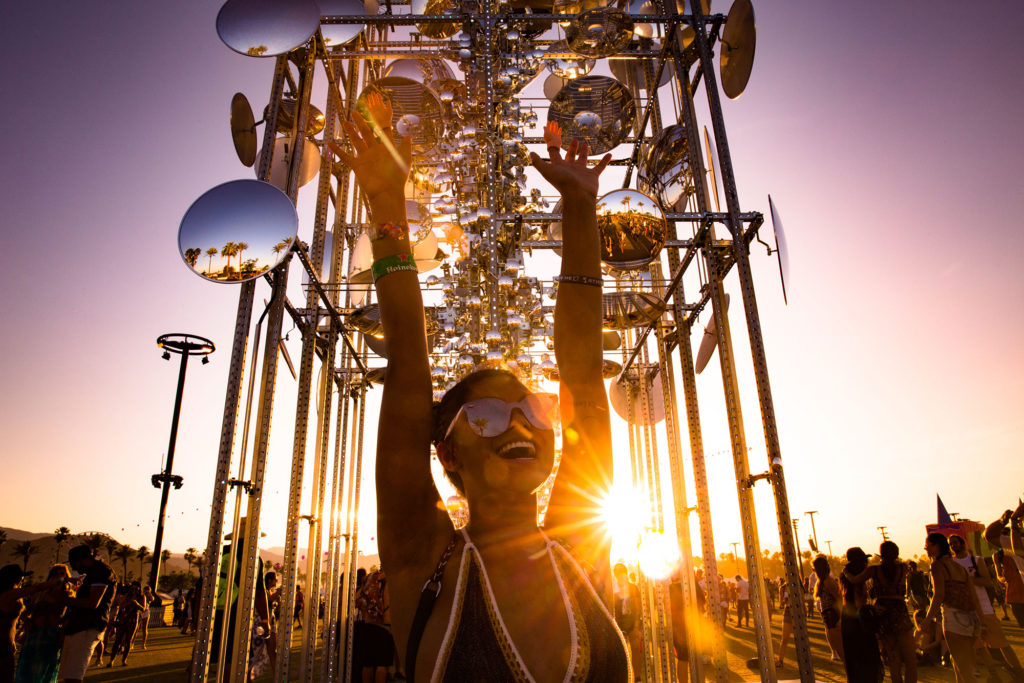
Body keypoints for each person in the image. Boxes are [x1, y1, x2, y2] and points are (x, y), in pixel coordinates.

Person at [329, 102, 628, 681]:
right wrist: (388, 204)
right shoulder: (424, 552)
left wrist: (580, 208)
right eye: (488, 416)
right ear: (446, 453)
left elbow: (583, 373)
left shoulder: (580, 540)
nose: (519, 425)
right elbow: (411, 366)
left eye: (533, 410)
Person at [949, 533, 1024, 678]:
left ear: (963, 543)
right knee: (978, 648)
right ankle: (994, 675)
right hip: (965, 611)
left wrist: (967, 579)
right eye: (951, 543)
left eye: (956, 542)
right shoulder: (951, 564)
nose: (953, 545)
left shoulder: (976, 561)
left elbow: (987, 582)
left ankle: (1019, 672)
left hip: (984, 609)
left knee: (1001, 644)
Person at [844, 541, 915, 683]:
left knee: (893, 660)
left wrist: (846, 572)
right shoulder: (903, 568)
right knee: (910, 660)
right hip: (900, 611)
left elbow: (855, 580)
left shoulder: (874, 570)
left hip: (883, 614)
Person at [922, 532, 984, 683]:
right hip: (972, 619)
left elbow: (939, 595)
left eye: (927, 546)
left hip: (955, 618)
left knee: (965, 670)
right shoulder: (960, 568)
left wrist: (927, 620)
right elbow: (974, 598)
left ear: (936, 546)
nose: (926, 549)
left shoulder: (937, 566)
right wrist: (983, 621)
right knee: (959, 662)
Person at [58, 544, 117, 683]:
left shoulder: (100, 572)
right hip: (80, 625)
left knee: (74, 675)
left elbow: (92, 603)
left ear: (82, 560)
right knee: (69, 673)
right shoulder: (94, 572)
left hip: (87, 625)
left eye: (74, 563)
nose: (73, 568)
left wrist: (64, 600)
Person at [1, 565, 62, 683]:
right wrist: (63, 579)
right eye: (20, 577)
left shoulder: (10, 594)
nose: (22, 580)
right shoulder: (10, 594)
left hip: (7, 642)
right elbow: (37, 588)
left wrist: (26, 620)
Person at [14, 564, 73, 683]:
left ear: (66, 576)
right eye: (55, 574)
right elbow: (25, 610)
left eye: (62, 574)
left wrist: (63, 633)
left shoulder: (68, 594)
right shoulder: (39, 593)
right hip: (35, 633)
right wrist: (27, 621)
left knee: (46, 671)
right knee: (27, 670)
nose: (58, 577)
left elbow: (70, 616)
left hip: (53, 635)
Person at [838, 547, 883, 683]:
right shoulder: (859, 577)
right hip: (860, 620)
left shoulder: (844, 576)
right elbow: (859, 602)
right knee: (867, 658)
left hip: (848, 619)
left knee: (853, 659)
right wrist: (872, 609)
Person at [985, 505, 1024, 627]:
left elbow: (1018, 550)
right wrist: (1004, 520)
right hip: (1017, 595)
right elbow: (989, 535)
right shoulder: (1010, 543)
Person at [353, 569, 394, 683]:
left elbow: (358, 598)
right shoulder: (390, 577)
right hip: (384, 624)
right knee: (382, 664)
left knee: (368, 663)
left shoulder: (370, 577)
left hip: (368, 622)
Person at [811, 555, 843, 662]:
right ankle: (834, 652)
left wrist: (840, 618)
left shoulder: (827, 581)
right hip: (828, 614)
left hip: (833, 614)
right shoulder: (821, 581)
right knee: (835, 642)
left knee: (841, 649)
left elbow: (839, 599)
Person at [612, 563, 641, 679]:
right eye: (617, 574)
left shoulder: (633, 587)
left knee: (635, 650)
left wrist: (636, 624)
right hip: (619, 624)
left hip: (632, 622)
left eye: (622, 573)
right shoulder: (613, 589)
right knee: (621, 653)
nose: (620, 576)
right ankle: (624, 676)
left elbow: (638, 606)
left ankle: (637, 677)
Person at [106, 582, 144, 667]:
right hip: (123, 619)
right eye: (133, 588)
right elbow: (121, 605)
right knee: (118, 640)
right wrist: (128, 602)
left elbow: (143, 608)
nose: (134, 590)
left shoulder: (141, 597)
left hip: (134, 620)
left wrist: (136, 604)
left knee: (128, 641)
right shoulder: (127, 595)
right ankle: (111, 660)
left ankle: (124, 660)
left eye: (136, 589)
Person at [135, 585, 153, 650]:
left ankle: (143, 643)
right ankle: (132, 642)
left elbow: (152, 599)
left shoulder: (149, 596)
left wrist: (148, 594)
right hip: (139, 611)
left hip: (146, 611)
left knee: (144, 628)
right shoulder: (140, 595)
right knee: (136, 628)